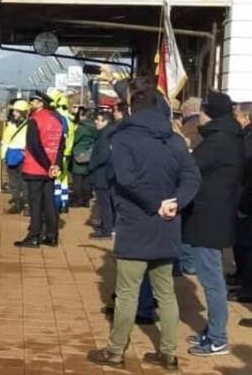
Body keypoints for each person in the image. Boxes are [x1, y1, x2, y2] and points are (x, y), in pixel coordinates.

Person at [87, 77, 201, 371]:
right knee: (166, 292)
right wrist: (175, 202)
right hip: (167, 226)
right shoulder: (175, 140)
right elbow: (192, 178)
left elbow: (127, 180)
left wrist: (154, 204)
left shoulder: (123, 138)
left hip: (136, 226)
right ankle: (168, 354)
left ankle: (115, 352)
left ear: (132, 109)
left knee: (127, 292)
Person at [181, 91, 244, 357]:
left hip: (209, 219)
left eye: (203, 111)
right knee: (212, 278)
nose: (200, 116)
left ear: (211, 114)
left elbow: (191, 167)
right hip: (214, 216)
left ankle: (218, 337)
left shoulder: (218, 141)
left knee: (212, 281)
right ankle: (214, 331)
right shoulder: (227, 137)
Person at [14, 91, 64, 248]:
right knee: (49, 202)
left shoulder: (34, 120)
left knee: (35, 203)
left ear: (41, 103)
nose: (31, 104)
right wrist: (55, 165)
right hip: (51, 170)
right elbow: (61, 145)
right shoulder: (57, 120)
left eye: (34, 101)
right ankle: (52, 236)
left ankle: (34, 236)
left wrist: (47, 165)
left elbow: (34, 146)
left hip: (36, 168)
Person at [229, 103, 252, 306]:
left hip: (247, 199)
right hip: (243, 197)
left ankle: (248, 288)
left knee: (246, 246)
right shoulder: (244, 136)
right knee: (241, 244)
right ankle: (243, 279)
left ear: (246, 117)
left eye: (236, 115)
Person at [88, 110, 115, 239]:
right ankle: (106, 226)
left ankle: (106, 230)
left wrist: (92, 165)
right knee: (105, 202)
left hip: (103, 174)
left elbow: (103, 155)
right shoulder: (107, 133)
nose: (96, 122)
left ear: (105, 121)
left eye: (99, 120)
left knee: (104, 203)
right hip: (106, 173)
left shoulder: (105, 135)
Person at [2, 100, 29, 215]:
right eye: (14, 111)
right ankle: (17, 204)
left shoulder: (29, 125)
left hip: (23, 156)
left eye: (17, 111)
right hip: (11, 155)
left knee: (25, 183)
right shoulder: (10, 125)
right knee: (14, 183)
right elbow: (5, 141)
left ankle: (27, 206)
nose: (14, 113)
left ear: (23, 113)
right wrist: (4, 156)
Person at [50, 90, 75, 214]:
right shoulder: (69, 118)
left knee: (56, 179)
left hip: (60, 152)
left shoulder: (59, 117)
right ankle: (65, 203)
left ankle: (57, 203)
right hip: (68, 152)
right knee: (64, 179)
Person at [71, 107, 96, 208]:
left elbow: (74, 140)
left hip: (78, 155)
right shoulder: (94, 127)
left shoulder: (81, 128)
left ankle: (78, 200)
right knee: (86, 179)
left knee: (77, 180)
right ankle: (86, 200)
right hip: (89, 154)